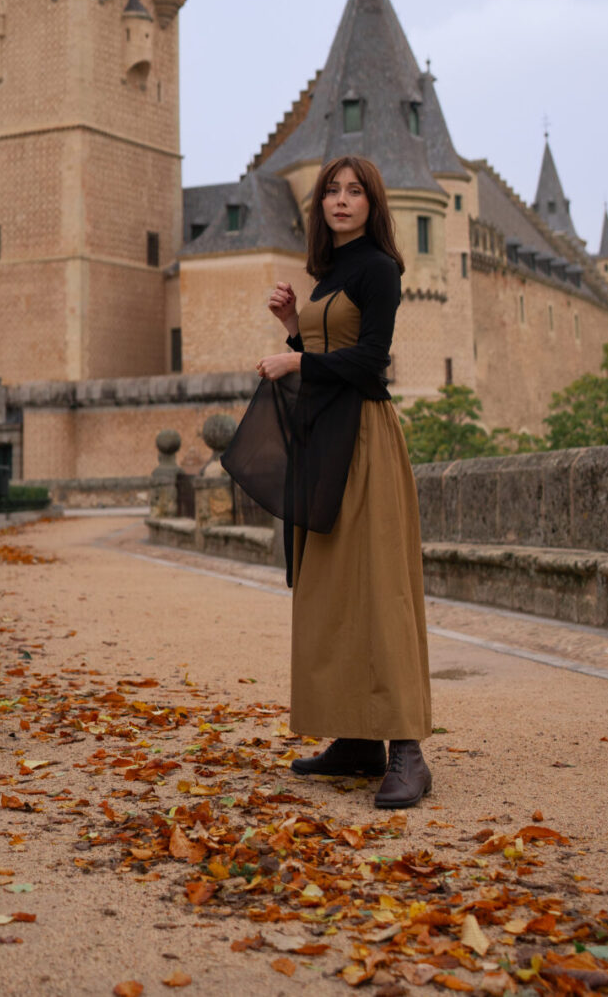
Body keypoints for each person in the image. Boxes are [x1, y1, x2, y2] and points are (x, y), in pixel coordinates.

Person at [250, 155, 433, 808]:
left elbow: (369, 361)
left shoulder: (380, 269)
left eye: (355, 191)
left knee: (381, 592)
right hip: (327, 437)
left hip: (365, 441)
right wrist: (296, 325)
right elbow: (330, 354)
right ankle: (357, 741)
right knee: (331, 589)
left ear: (372, 203)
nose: (342, 200)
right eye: (332, 190)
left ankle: (407, 749)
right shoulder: (327, 274)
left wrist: (296, 356)